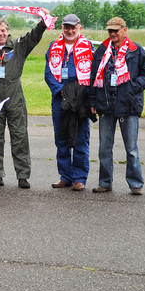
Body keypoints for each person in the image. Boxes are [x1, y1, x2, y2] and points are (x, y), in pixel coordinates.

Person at [0, 11, 49, 189]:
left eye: (3, 30)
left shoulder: (18, 45)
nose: (0, 34)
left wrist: (43, 22)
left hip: (15, 97)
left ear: (8, 31)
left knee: (19, 137)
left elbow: (34, 36)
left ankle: (23, 175)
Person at [89, 17, 145, 195]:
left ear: (125, 30)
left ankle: (135, 184)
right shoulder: (102, 50)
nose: (113, 34)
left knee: (131, 149)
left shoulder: (136, 50)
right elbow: (93, 77)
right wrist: (93, 102)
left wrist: (131, 87)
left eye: (116, 30)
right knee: (104, 148)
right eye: (110, 30)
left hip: (129, 104)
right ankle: (105, 182)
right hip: (106, 104)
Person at [44, 14, 95, 192]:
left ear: (79, 27)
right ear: (62, 28)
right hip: (60, 96)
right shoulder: (53, 46)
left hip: (81, 96)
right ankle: (65, 176)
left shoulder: (88, 46)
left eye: (73, 27)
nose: (70, 30)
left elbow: (94, 72)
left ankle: (79, 178)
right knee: (61, 137)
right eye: (67, 27)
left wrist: (85, 94)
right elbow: (48, 73)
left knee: (81, 137)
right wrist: (61, 91)